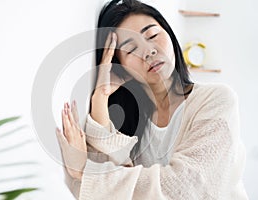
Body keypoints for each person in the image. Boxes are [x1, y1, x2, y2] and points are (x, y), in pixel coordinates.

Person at [56, 0, 248, 199]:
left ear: (169, 34)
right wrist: (100, 98)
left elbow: (187, 188)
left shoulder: (217, 100)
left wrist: (84, 171)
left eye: (153, 35)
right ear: (119, 64)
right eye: (130, 50)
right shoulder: (131, 124)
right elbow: (102, 192)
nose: (149, 51)